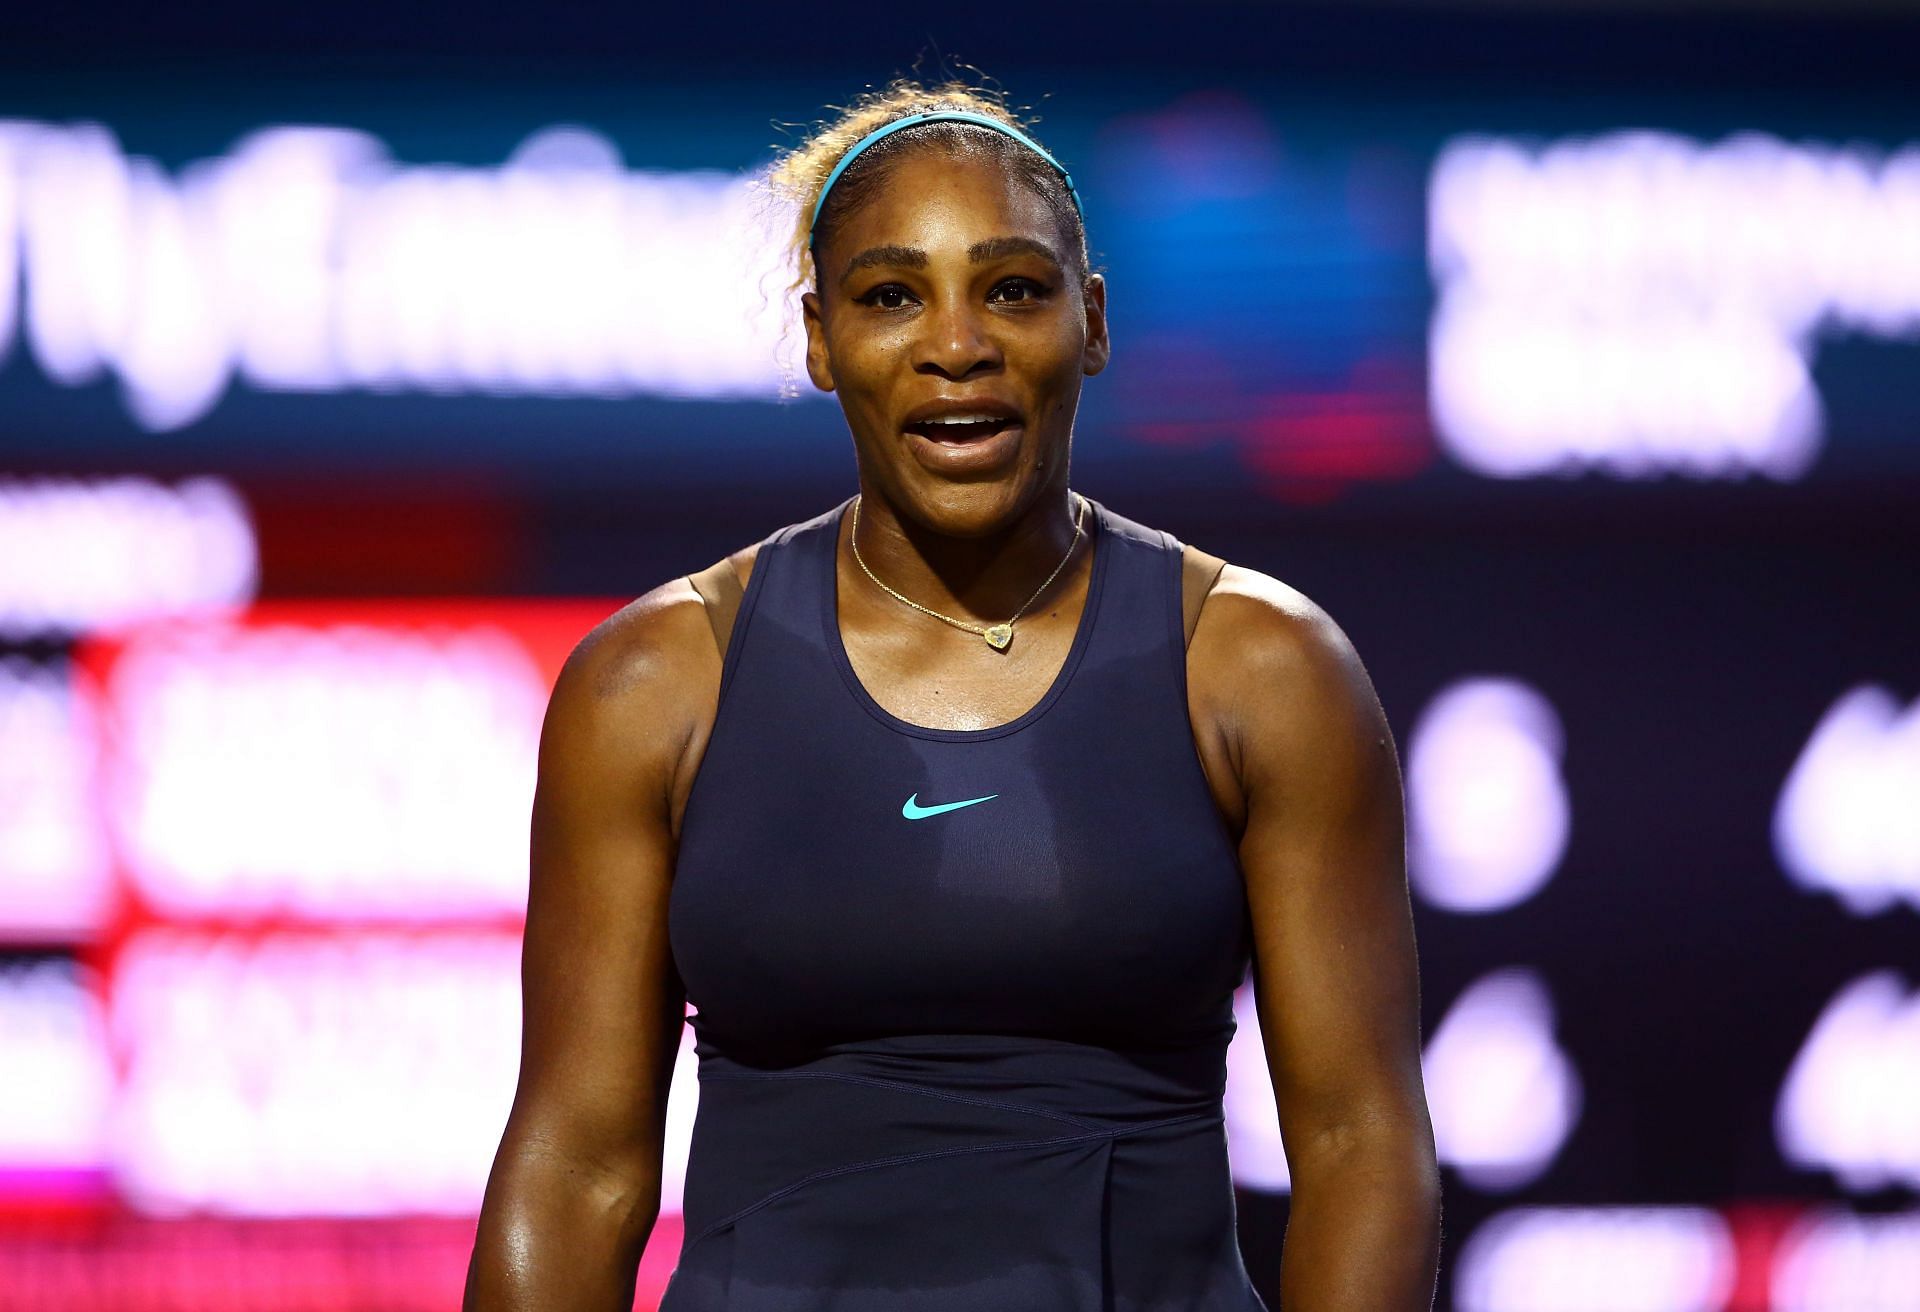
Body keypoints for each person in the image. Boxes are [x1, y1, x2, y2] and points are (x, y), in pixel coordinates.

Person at [464, 77, 1440, 1311]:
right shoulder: (653, 682)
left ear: (1090, 321)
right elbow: (577, 1168)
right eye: (890, 296)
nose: (957, 344)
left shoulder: (1263, 668)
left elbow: (1363, 1147)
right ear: (820, 338)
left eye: (1013, 289)